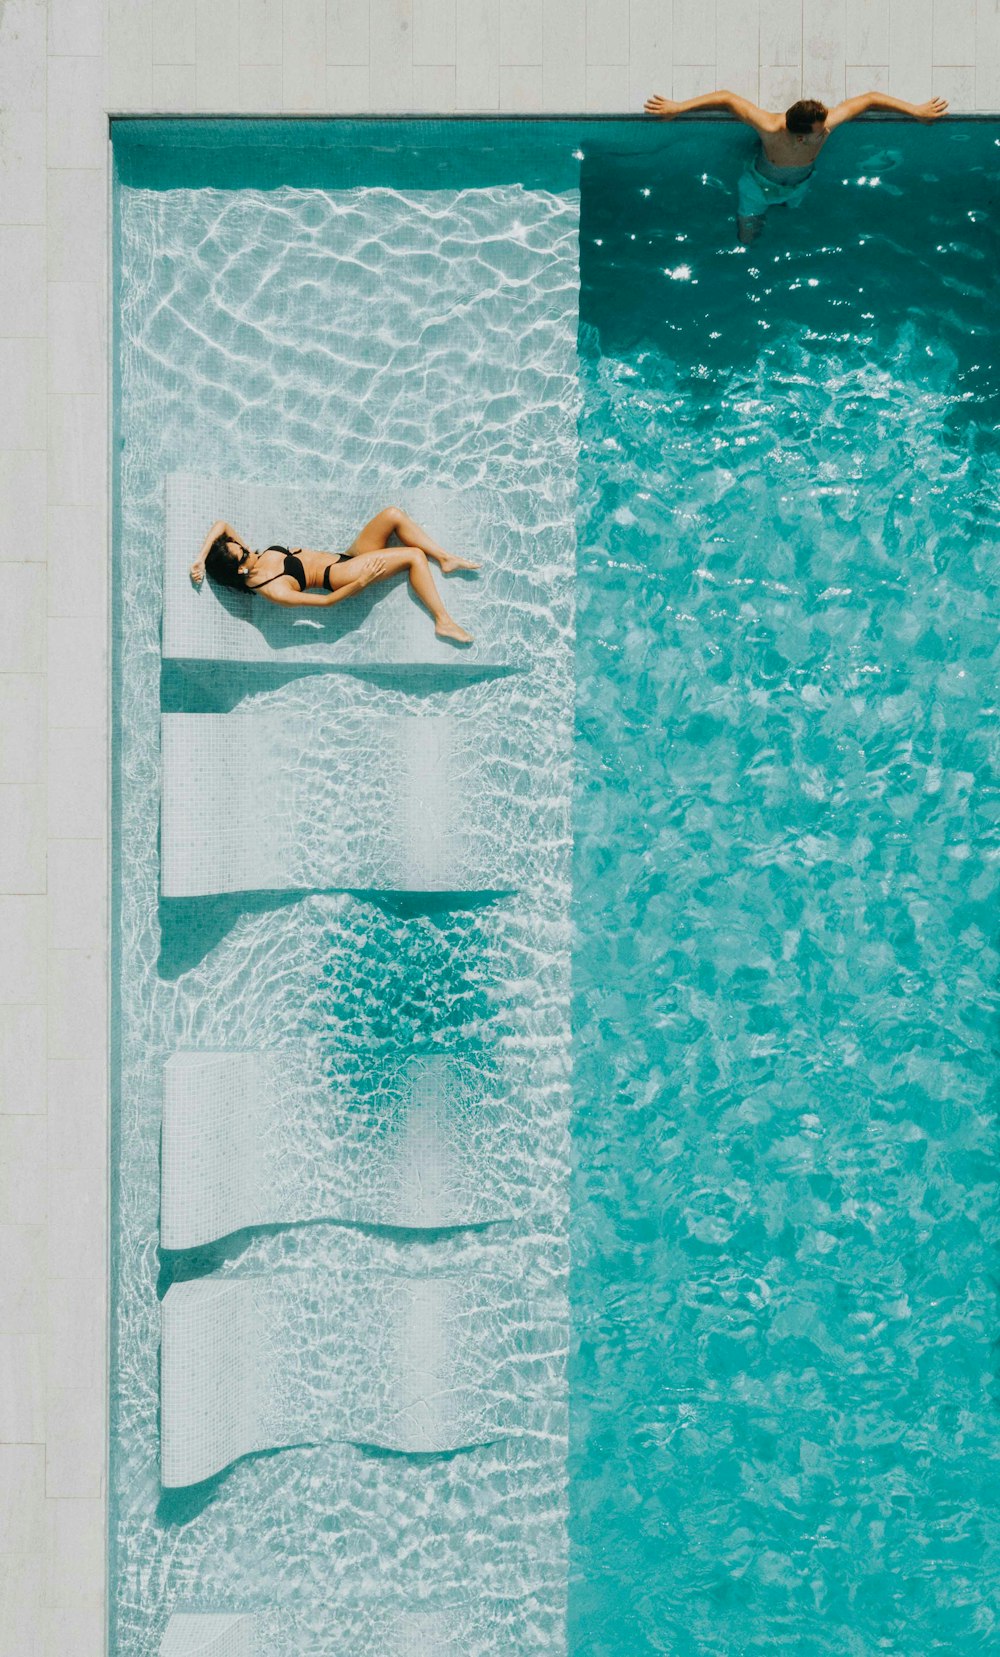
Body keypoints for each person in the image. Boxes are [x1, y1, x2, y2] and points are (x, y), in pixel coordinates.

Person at [643, 88, 948, 243]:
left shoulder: (824, 125)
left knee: (794, 208)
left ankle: (784, 206)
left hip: (800, 183)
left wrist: (916, 111)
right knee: (747, 239)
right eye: (820, 128)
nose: (827, 128)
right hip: (758, 186)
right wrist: (678, 107)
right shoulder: (770, 128)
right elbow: (726, 98)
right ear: (800, 136)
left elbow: (868, 99)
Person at [190, 505, 477, 645]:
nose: (246, 547)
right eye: (242, 552)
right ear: (240, 568)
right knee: (414, 557)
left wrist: (201, 559)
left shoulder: (248, 558)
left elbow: (222, 525)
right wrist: (360, 582)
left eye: (240, 545)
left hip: (347, 556)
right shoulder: (272, 589)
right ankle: (444, 622)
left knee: (392, 514)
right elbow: (325, 604)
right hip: (342, 575)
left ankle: (445, 558)